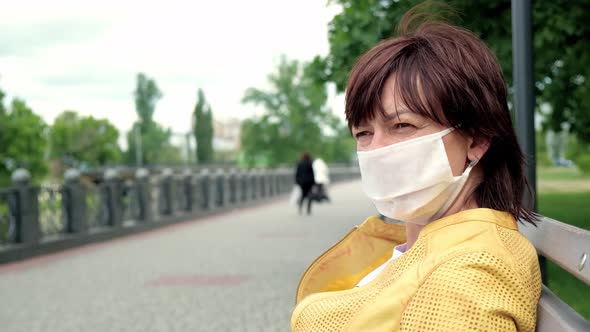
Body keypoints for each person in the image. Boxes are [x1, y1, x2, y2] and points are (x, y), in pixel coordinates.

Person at [291, 5, 541, 332]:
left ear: (476, 140)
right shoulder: (429, 247)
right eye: (363, 133)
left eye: (403, 126)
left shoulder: (467, 279)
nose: (376, 149)